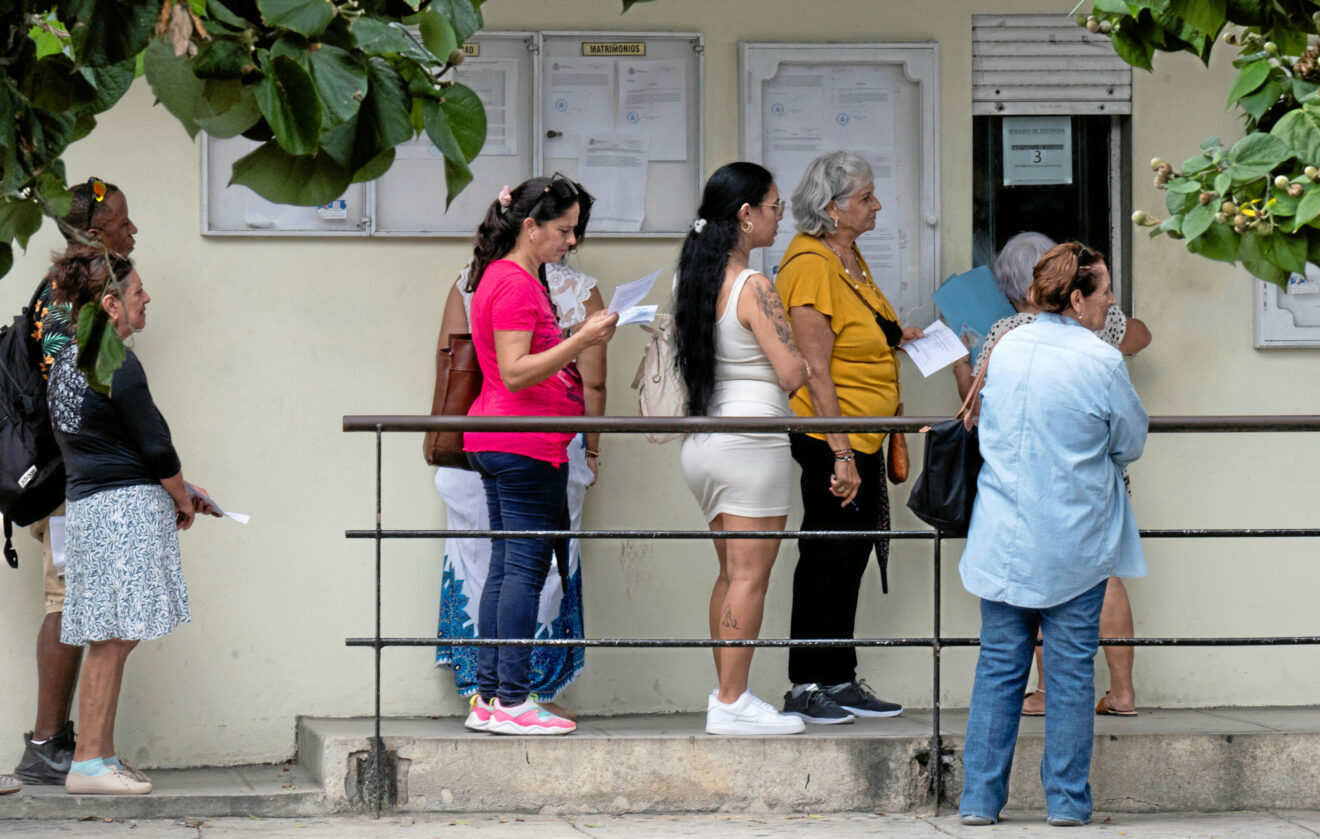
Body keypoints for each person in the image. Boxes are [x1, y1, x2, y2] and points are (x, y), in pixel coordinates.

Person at [958, 242, 1148, 827]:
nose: (1111, 300)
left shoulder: (1005, 344)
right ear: (1075, 298)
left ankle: (978, 802)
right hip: (1074, 537)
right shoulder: (1100, 361)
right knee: (1068, 672)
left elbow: (977, 415)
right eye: (1104, 291)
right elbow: (1130, 441)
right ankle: (1066, 802)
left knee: (998, 667)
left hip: (1003, 534)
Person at [47, 252, 218, 794]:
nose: (147, 298)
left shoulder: (68, 361)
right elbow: (155, 445)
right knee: (115, 635)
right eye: (138, 290)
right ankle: (90, 765)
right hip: (123, 509)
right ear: (110, 303)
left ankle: (98, 756)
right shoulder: (117, 360)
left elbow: (103, 443)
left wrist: (181, 491)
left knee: (109, 634)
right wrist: (182, 496)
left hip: (91, 507)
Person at [435, 189, 602, 721]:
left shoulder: (507, 278)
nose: (571, 240)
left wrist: (573, 336)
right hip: (522, 442)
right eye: (563, 230)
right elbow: (514, 370)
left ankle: (489, 698)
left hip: (511, 439)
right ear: (530, 226)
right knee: (523, 571)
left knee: (508, 568)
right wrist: (583, 340)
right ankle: (510, 699)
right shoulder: (512, 281)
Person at [774, 151, 922, 724]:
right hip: (834, 439)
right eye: (864, 198)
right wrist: (840, 452)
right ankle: (806, 681)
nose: (876, 205)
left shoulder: (846, 255)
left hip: (864, 435)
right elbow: (815, 369)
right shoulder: (810, 265)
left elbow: (856, 334)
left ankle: (837, 676)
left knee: (849, 556)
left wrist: (895, 337)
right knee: (826, 556)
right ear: (832, 209)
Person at [672, 162, 809, 736]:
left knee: (730, 573)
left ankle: (727, 696)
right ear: (746, 214)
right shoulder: (755, 286)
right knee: (751, 576)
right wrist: (801, 356)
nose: (781, 217)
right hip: (753, 441)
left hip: (705, 441)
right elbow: (792, 374)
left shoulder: (692, 282)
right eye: (775, 207)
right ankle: (732, 701)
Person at [13, 178, 138, 788]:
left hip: (75, 477)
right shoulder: (66, 297)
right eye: (121, 220)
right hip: (68, 480)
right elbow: (68, 389)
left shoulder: (70, 292)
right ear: (91, 232)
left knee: (75, 603)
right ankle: (44, 748)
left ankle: (56, 743)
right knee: (68, 604)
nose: (132, 230)